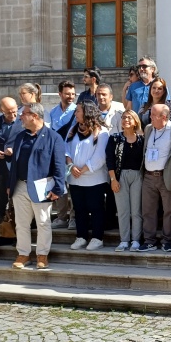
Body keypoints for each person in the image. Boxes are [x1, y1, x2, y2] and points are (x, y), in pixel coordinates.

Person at [9, 102, 66, 270]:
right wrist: (10, 184)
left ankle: (42, 255)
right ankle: (23, 254)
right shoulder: (21, 136)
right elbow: (14, 162)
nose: (20, 116)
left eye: (24, 113)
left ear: (34, 116)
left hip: (42, 187)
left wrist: (57, 188)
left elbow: (59, 165)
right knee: (21, 223)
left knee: (42, 222)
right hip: (20, 185)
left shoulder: (53, 137)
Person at [66, 101, 110, 252]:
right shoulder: (73, 129)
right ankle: (81, 236)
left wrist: (83, 169)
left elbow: (100, 156)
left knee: (96, 208)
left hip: (94, 179)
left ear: (87, 112)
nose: (76, 113)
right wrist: (71, 166)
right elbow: (66, 149)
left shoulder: (102, 132)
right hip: (75, 178)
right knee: (79, 209)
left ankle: (97, 238)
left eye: (78, 111)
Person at [141, 104, 171, 252]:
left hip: (165, 176)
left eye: (154, 115)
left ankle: (167, 240)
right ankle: (149, 240)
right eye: (150, 114)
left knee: (169, 211)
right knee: (148, 210)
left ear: (164, 117)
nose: (150, 117)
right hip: (148, 177)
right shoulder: (148, 129)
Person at [0, 97, 23, 246]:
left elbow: (29, 140)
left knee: (19, 204)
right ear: (2, 110)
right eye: (9, 113)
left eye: (15, 111)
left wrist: (15, 150)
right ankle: (5, 234)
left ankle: (20, 235)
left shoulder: (22, 121)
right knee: (0, 203)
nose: (13, 115)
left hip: (18, 168)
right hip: (1, 168)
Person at [106, 110, 145, 252]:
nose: (125, 120)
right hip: (120, 176)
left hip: (137, 176)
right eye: (123, 118)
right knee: (122, 210)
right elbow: (109, 160)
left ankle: (135, 240)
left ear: (135, 121)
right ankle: (124, 240)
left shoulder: (142, 139)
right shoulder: (115, 138)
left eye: (129, 118)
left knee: (136, 210)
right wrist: (113, 179)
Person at [49, 81, 77, 230]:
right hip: (57, 154)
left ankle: (73, 217)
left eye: (73, 94)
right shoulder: (53, 112)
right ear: (60, 94)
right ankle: (61, 217)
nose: (71, 96)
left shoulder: (77, 111)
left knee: (73, 186)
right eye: (67, 94)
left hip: (72, 154)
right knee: (60, 185)